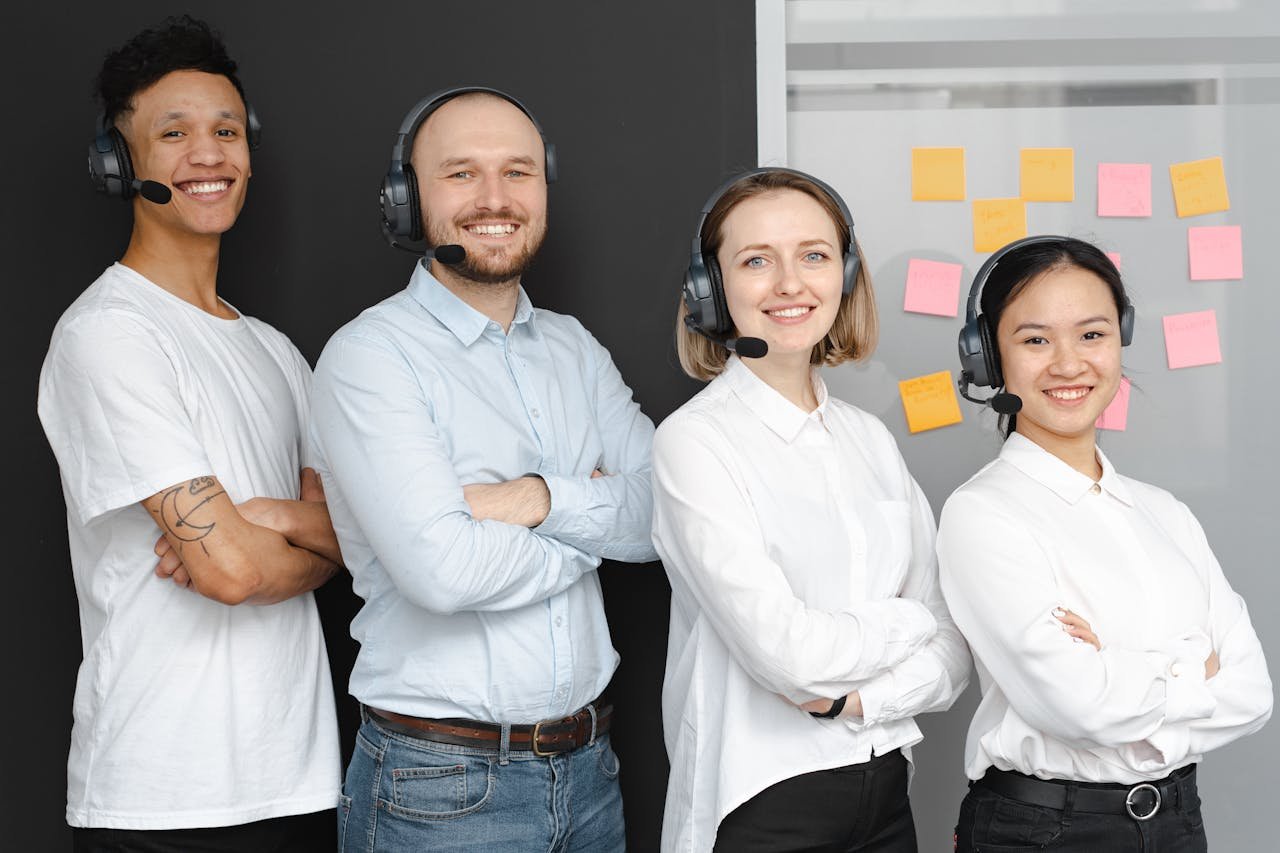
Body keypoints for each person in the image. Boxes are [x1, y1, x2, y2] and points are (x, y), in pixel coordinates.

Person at [309, 87, 657, 852]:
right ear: (406, 199)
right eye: (461, 174)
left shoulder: (575, 348)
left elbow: (662, 516)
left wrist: (531, 499)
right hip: (440, 787)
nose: (495, 199)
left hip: (592, 772)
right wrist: (590, 514)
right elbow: (445, 573)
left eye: (518, 172)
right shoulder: (371, 357)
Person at [37, 15, 343, 852]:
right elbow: (232, 569)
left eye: (225, 131)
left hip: (302, 783)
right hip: (159, 801)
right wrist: (270, 537)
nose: (208, 155)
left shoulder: (278, 352)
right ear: (118, 164)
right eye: (173, 134)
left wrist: (267, 520)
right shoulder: (108, 334)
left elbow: (353, 537)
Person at [651, 168, 970, 852]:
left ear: (845, 276)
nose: (790, 283)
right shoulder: (695, 442)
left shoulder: (870, 439)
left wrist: (855, 700)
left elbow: (953, 649)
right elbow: (790, 657)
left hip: (885, 792)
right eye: (757, 260)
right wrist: (905, 620)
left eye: (814, 255)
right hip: (763, 801)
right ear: (711, 290)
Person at [938, 235, 1272, 852]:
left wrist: (1114, 662)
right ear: (989, 358)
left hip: (1177, 822)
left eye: (1092, 335)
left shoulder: (1167, 514)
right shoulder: (982, 514)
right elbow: (1079, 708)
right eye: (1035, 339)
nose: (1069, 364)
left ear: (1120, 341)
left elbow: (1252, 695)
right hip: (1043, 832)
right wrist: (1190, 668)